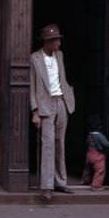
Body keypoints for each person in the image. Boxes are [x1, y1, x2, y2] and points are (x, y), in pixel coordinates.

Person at [30, 23, 76, 204]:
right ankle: (47, 186)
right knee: (47, 145)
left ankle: (60, 181)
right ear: (47, 42)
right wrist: (35, 111)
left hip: (61, 101)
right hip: (45, 105)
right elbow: (33, 86)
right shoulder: (34, 58)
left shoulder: (60, 55)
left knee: (60, 143)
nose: (59, 43)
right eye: (56, 40)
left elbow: (62, 79)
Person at [81, 115, 109, 191]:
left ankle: (85, 180)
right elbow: (107, 144)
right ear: (99, 127)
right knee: (100, 170)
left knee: (87, 169)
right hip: (97, 156)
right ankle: (96, 186)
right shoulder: (99, 136)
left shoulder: (89, 135)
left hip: (89, 154)